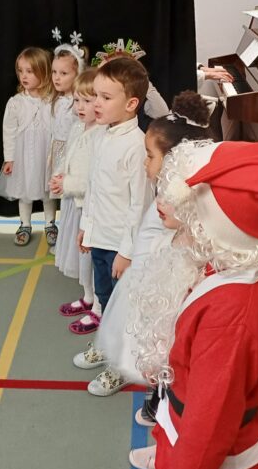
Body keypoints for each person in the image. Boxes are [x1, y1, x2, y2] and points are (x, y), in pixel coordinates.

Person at [131, 140, 258, 469]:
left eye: (189, 212)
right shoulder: (239, 264)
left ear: (209, 225)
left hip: (217, 468)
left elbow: (208, 428)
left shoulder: (232, 318)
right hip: (186, 424)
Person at [83, 91, 214, 400]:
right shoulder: (165, 188)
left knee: (149, 318)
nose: (146, 162)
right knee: (129, 306)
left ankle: (132, 366)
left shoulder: (184, 196)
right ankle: (116, 352)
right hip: (147, 260)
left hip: (167, 269)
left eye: (151, 155)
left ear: (174, 158)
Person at [76, 57, 150, 333]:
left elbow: (140, 204)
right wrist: (86, 226)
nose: (96, 103)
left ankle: (124, 351)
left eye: (105, 98)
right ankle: (108, 343)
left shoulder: (136, 146)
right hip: (100, 238)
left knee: (125, 304)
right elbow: (93, 186)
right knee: (104, 295)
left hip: (120, 245)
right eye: (95, 95)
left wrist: (126, 253)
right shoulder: (100, 135)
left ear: (131, 104)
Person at [0, 47, 56, 246]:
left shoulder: (53, 101)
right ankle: (25, 224)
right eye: (20, 71)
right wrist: (9, 158)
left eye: (30, 71)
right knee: (24, 190)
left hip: (46, 155)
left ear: (44, 72)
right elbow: (9, 131)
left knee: (48, 190)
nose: (24, 76)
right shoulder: (16, 103)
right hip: (24, 156)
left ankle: (50, 224)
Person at [52, 69, 98, 315]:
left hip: (87, 206)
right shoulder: (77, 128)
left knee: (90, 256)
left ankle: (98, 302)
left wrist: (66, 184)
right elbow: (68, 157)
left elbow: (92, 178)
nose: (80, 107)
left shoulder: (100, 135)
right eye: (77, 100)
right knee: (81, 256)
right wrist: (60, 174)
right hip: (73, 203)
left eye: (87, 101)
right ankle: (88, 296)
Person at [45, 42, 84, 247]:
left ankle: (73, 240)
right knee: (60, 197)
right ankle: (64, 237)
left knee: (70, 198)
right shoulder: (56, 100)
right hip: (57, 152)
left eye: (63, 73)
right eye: (54, 72)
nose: (57, 77)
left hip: (71, 155)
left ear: (77, 74)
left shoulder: (77, 104)